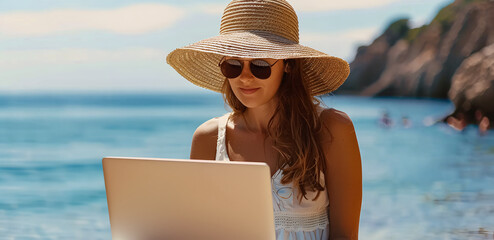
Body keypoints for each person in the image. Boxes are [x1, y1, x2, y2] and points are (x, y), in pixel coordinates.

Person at [166, 0, 362, 239]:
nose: (245, 77)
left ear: (288, 64)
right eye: (233, 65)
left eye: (259, 65)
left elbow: (346, 235)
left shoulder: (331, 129)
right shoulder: (208, 139)